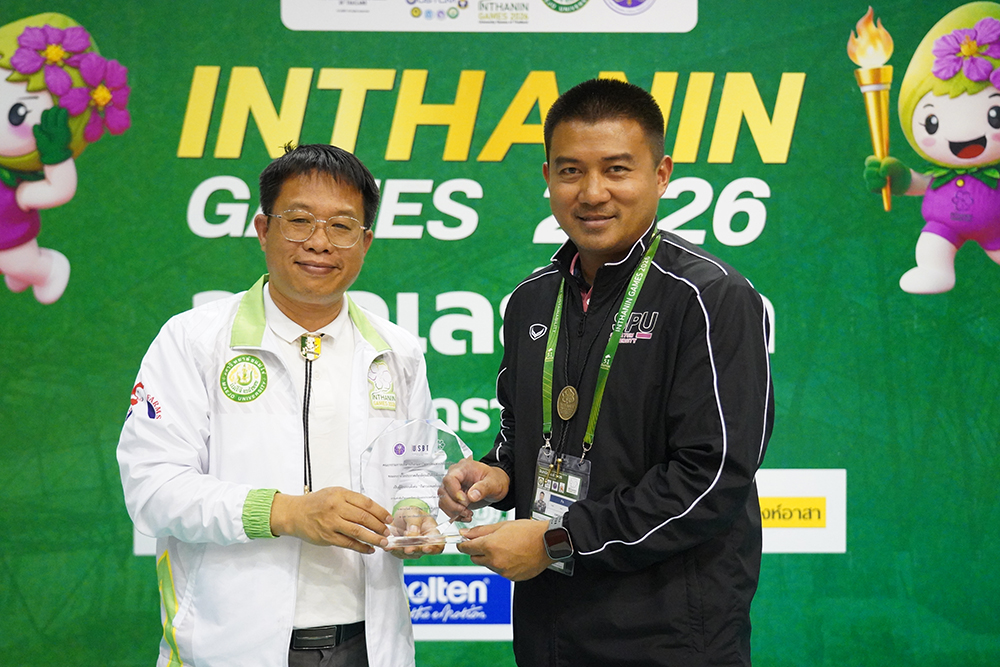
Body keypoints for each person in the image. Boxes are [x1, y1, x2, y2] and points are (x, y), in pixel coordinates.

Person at [439, 79, 774, 666]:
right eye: (571, 171)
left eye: (617, 169)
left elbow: (712, 478)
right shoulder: (531, 300)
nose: (593, 193)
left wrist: (558, 540)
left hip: (669, 636)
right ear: (548, 177)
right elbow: (525, 436)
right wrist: (497, 475)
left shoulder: (709, 297)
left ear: (661, 174)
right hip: (548, 630)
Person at [118, 143, 438, 667]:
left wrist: (415, 512)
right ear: (264, 229)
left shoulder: (396, 351)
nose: (319, 242)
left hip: (369, 644)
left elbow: (416, 469)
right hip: (230, 647)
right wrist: (285, 512)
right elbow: (152, 489)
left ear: (365, 242)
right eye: (299, 221)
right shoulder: (193, 339)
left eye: (342, 226)